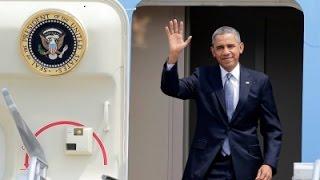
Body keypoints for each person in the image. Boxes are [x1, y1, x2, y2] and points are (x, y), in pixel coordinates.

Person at [161, 19, 282, 180]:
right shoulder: (202, 76)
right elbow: (172, 88)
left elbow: (272, 129)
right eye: (220, 47)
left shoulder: (259, 81)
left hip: (247, 165)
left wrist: (269, 163)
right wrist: (173, 57)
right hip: (208, 165)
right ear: (213, 52)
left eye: (230, 46)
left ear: (241, 47)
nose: (226, 52)